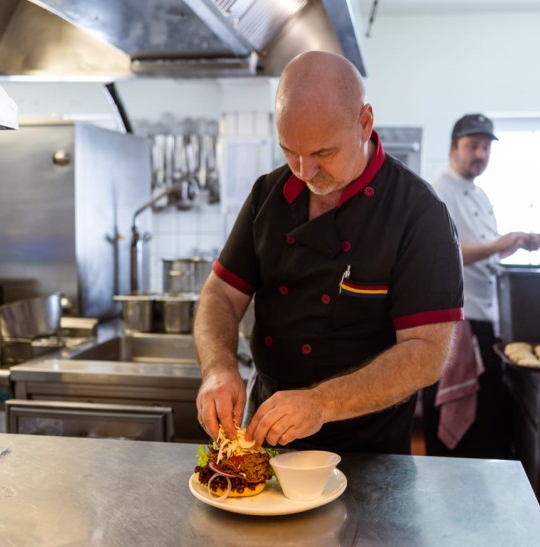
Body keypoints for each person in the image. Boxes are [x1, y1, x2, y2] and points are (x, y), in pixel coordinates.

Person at [194, 51, 464, 455]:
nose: (304, 172)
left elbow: (426, 353)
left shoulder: (419, 214)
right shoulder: (267, 196)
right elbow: (220, 295)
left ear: (364, 123)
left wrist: (323, 403)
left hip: (368, 451)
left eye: (323, 154)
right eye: (290, 151)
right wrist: (218, 369)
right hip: (266, 437)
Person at [422, 113, 540, 459]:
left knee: (488, 425)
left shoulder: (480, 194)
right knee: (466, 434)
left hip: (487, 320)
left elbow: (487, 250)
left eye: (486, 147)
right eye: (473, 146)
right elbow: (442, 256)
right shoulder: (437, 189)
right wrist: (498, 244)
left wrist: (516, 241)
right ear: (453, 149)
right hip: (460, 323)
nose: (480, 154)